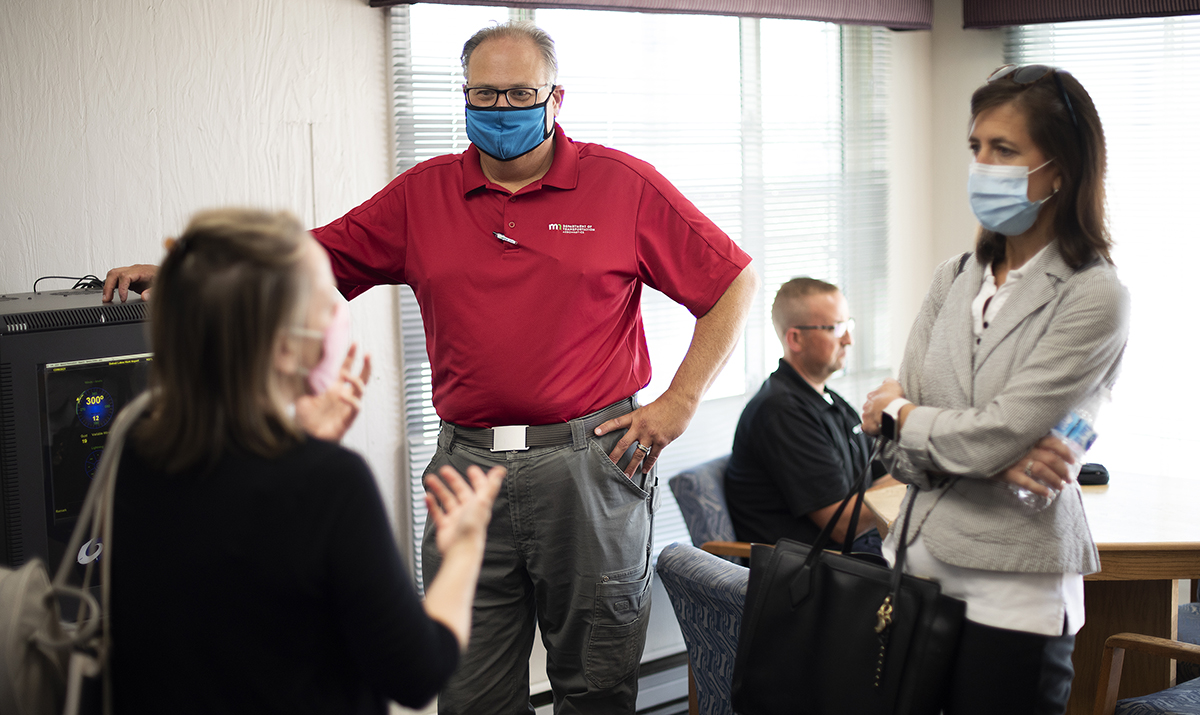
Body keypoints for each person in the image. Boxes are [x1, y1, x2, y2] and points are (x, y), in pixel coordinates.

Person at [104, 22, 756, 714]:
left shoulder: (621, 186)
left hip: (589, 464)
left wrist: (681, 400)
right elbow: (310, 260)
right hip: (466, 463)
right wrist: (186, 271)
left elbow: (731, 281)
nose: (500, 109)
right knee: (466, 688)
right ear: (464, 95)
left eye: (518, 94)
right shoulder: (423, 195)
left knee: (595, 685)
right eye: (484, 94)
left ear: (555, 99)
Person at [108, 208, 506, 714]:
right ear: (281, 348)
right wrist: (468, 547)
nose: (340, 312)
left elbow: (238, 602)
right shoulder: (331, 484)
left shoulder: (137, 452)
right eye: (325, 299)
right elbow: (416, 673)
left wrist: (303, 444)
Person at [861, 64, 1130, 715]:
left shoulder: (1095, 294)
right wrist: (985, 446)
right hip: (914, 566)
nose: (982, 165)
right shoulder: (953, 277)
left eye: (1004, 150)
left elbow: (979, 428)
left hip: (1016, 587)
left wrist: (899, 408)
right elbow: (896, 453)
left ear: (1060, 169)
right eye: (976, 148)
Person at [724, 278, 897, 555]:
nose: (848, 339)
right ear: (795, 338)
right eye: (835, 328)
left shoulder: (830, 400)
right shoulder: (780, 412)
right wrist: (917, 476)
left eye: (847, 325)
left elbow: (878, 476)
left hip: (853, 552)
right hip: (813, 574)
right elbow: (841, 525)